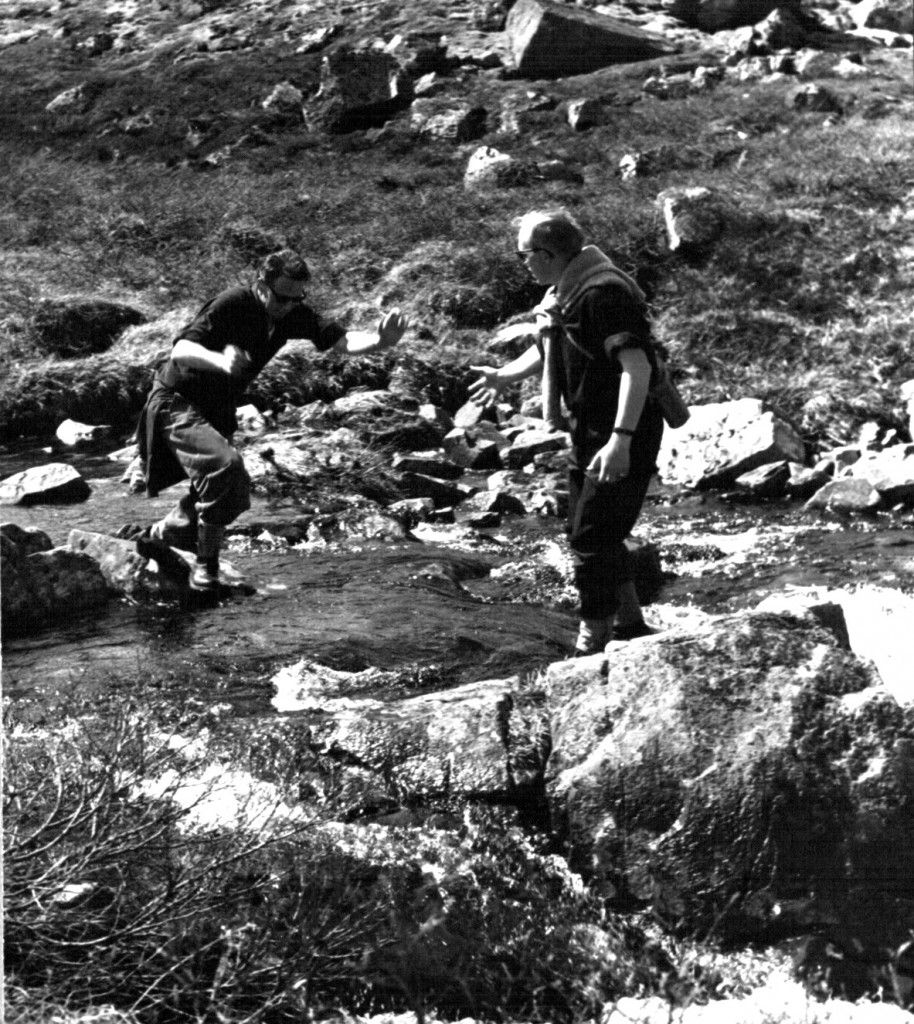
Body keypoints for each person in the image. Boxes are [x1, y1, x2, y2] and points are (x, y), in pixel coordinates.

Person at [137, 248, 407, 592]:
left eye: (298, 298)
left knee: (231, 490)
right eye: (283, 298)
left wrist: (381, 341)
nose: (290, 306)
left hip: (218, 406)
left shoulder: (291, 312)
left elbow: (341, 340)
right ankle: (206, 565)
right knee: (226, 467)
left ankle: (164, 534)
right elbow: (181, 351)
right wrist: (220, 361)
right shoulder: (233, 302)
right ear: (262, 287)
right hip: (178, 400)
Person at [469, 210, 663, 656]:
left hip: (623, 429)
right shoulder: (567, 293)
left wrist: (621, 441)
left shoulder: (603, 295)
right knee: (592, 530)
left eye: (525, 254)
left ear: (548, 253)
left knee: (590, 537)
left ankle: (591, 644)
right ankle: (630, 626)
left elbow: (638, 367)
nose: (523, 263)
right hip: (592, 430)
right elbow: (551, 345)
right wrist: (503, 375)